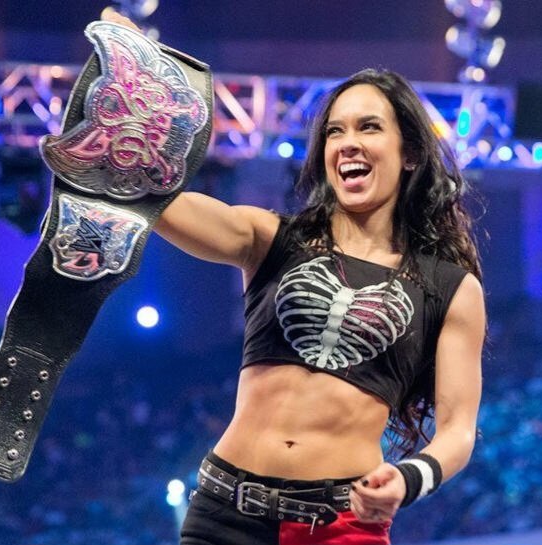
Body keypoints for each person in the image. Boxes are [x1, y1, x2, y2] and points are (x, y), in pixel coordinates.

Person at [102, 9, 485, 544]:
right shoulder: (272, 239)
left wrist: (408, 477)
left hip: (341, 525)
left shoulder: (450, 288)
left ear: (411, 154)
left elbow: (459, 430)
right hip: (223, 514)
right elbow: (154, 197)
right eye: (334, 131)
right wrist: (129, 86)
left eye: (369, 127)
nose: (347, 142)